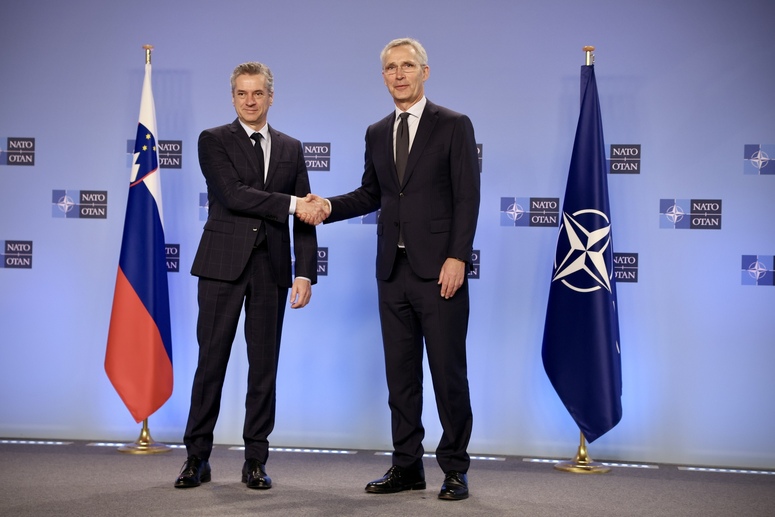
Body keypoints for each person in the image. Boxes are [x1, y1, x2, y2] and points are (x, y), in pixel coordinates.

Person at [302, 38, 480, 501]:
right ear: (383, 76)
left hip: (440, 271)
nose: (398, 75)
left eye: (407, 66)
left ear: (425, 71)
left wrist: (458, 257)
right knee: (400, 377)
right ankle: (407, 467)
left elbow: (467, 196)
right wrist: (326, 206)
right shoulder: (377, 131)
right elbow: (370, 195)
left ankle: (455, 470)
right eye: (390, 68)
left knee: (447, 374)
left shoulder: (454, 125)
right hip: (391, 272)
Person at [175, 61, 326, 490]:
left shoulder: (292, 147)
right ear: (233, 97)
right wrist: (296, 203)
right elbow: (233, 194)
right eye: (241, 94)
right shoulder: (214, 140)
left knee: (264, 368)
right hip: (222, 266)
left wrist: (306, 274)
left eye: (257, 93)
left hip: (272, 269)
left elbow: (305, 222)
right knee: (211, 364)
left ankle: (255, 461)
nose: (250, 101)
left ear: (271, 96)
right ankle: (196, 459)